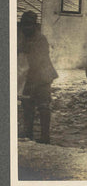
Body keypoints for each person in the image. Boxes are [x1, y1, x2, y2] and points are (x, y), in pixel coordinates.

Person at [18, 11, 58, 144]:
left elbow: (39, 61)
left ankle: (45, 136)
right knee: (27, 105)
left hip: (42, 76)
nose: (26, 28)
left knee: (43, 106)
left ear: (34, 26)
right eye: (24, 25)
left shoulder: (41, 39)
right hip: (28, 76)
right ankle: (28, 133)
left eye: (29, 25)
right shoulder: (22, 37)